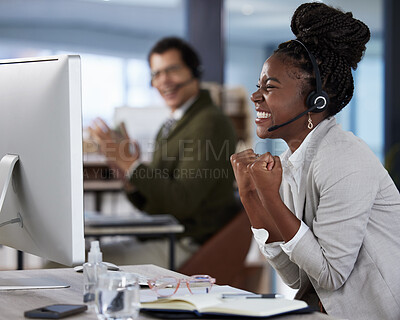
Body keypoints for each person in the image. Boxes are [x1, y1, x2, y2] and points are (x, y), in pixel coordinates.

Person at [230, 3, 400, 320]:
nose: (256, 96)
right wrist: (251, 197)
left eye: (270, 87)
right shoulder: (291, 161)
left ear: (315, 101)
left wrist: (268, 196)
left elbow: (331, 276)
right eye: (258, 86)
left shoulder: (343, 157)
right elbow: (297, 276)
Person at [90, 37, 238, 268]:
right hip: (166, 237)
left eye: (172, 70)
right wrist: (129, 180)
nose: (163, 80)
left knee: (71, 265)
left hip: (188, 246)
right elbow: (158, 205)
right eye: (156, 74)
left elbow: (182, 202)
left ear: (195, 71)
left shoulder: (209, 122)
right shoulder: (172, 124)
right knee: (74, 259)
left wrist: (132, 165)